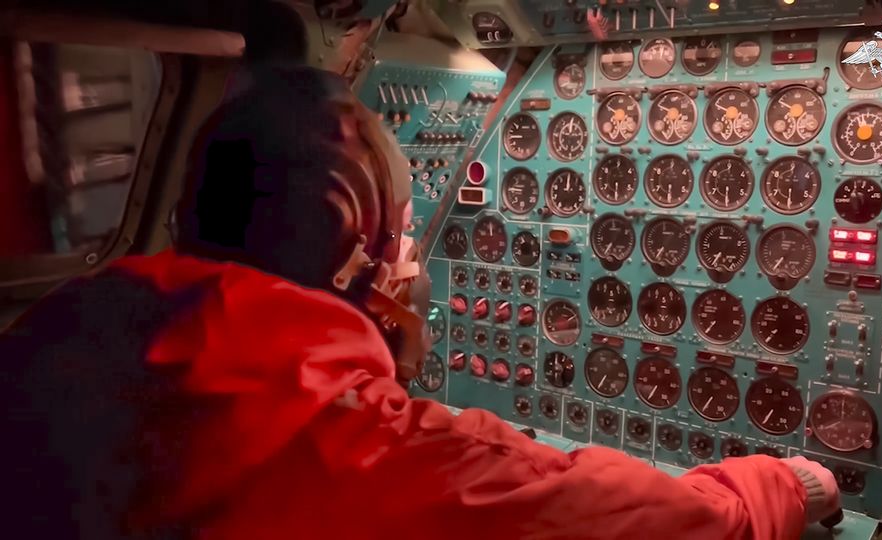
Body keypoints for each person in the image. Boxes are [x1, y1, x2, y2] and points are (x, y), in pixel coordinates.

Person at [0, 65, 839, 539]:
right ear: (356, 249)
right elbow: (679, 528)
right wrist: (789, 486)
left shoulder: (42, 342)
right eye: (404, 234)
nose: (411, 258)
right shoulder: (399, 461)